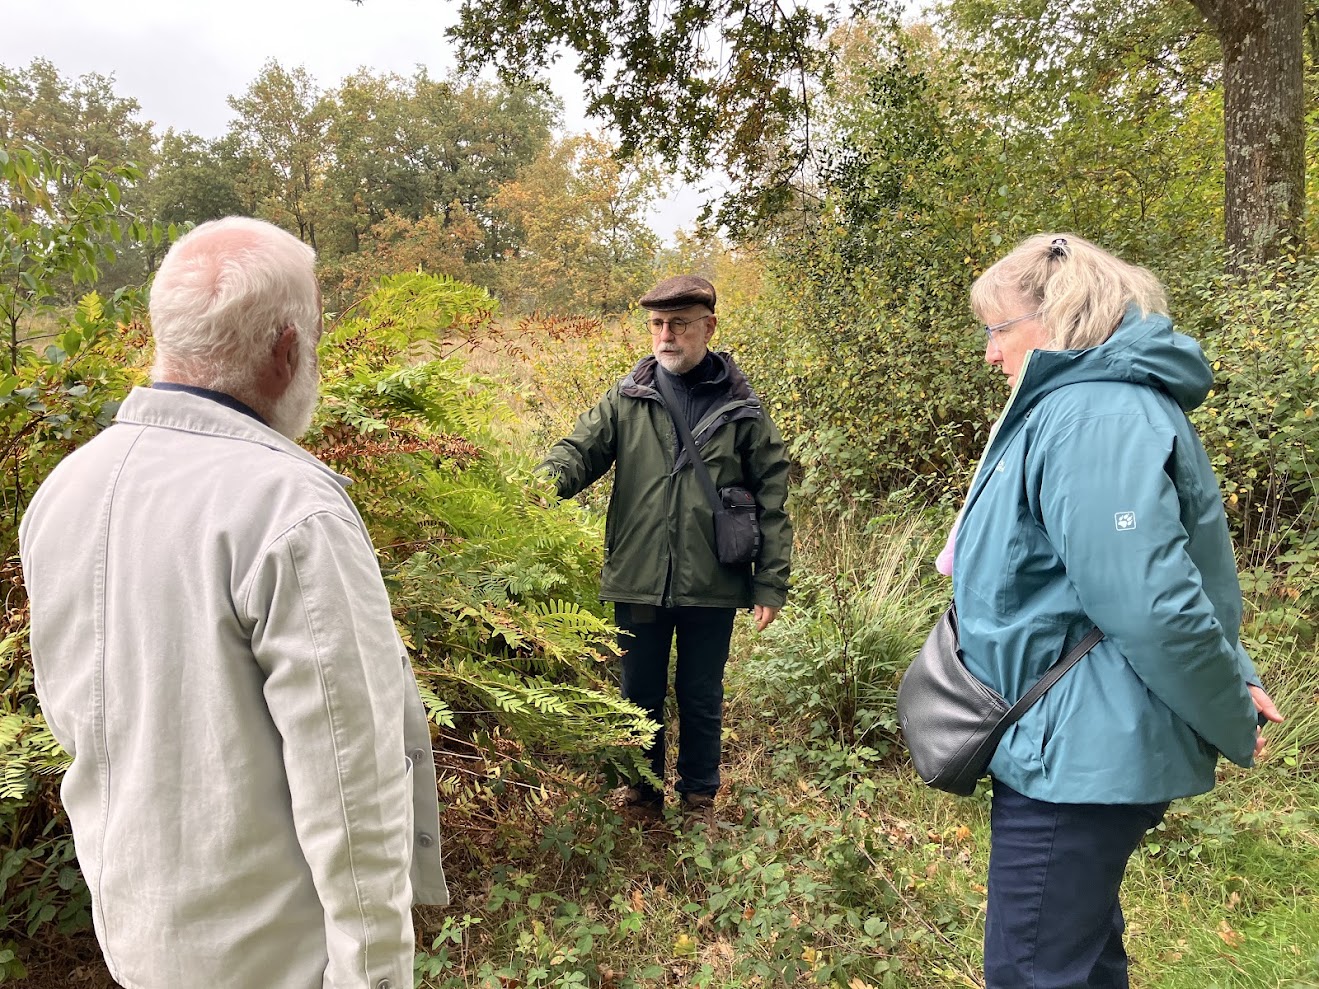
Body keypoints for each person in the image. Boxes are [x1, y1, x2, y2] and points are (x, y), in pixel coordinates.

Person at [19, 217, 448, 989]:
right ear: (287, 350)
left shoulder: (63, 492)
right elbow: (351, 786)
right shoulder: (289, 508)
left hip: (138, 939)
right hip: (279, 961)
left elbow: (73, 721)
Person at [947, 233, 1282, 988]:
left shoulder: (1092, 415)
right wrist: (1234, 669)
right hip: (1072, 731)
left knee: (1033, 972)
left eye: (998, 329)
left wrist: (1229, 708)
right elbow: (1143, 576)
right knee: (1079, 957)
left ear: (1058, 316)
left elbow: (1149, 601)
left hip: (1075, 752)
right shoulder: (1085, 407)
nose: (990, 353)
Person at [540, 274, 792, 822]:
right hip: (638, 577)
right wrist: (536, 486)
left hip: (712, 580)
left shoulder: (742, 408)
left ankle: (699, 796)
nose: (666, 336)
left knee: (701, 693)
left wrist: (770, 582)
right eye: (657, 324)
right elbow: (578, 452)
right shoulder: (628, 397)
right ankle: (641, 793)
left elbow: (772, 496)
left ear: (709, 327)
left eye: (678, 324)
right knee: (638, 692)